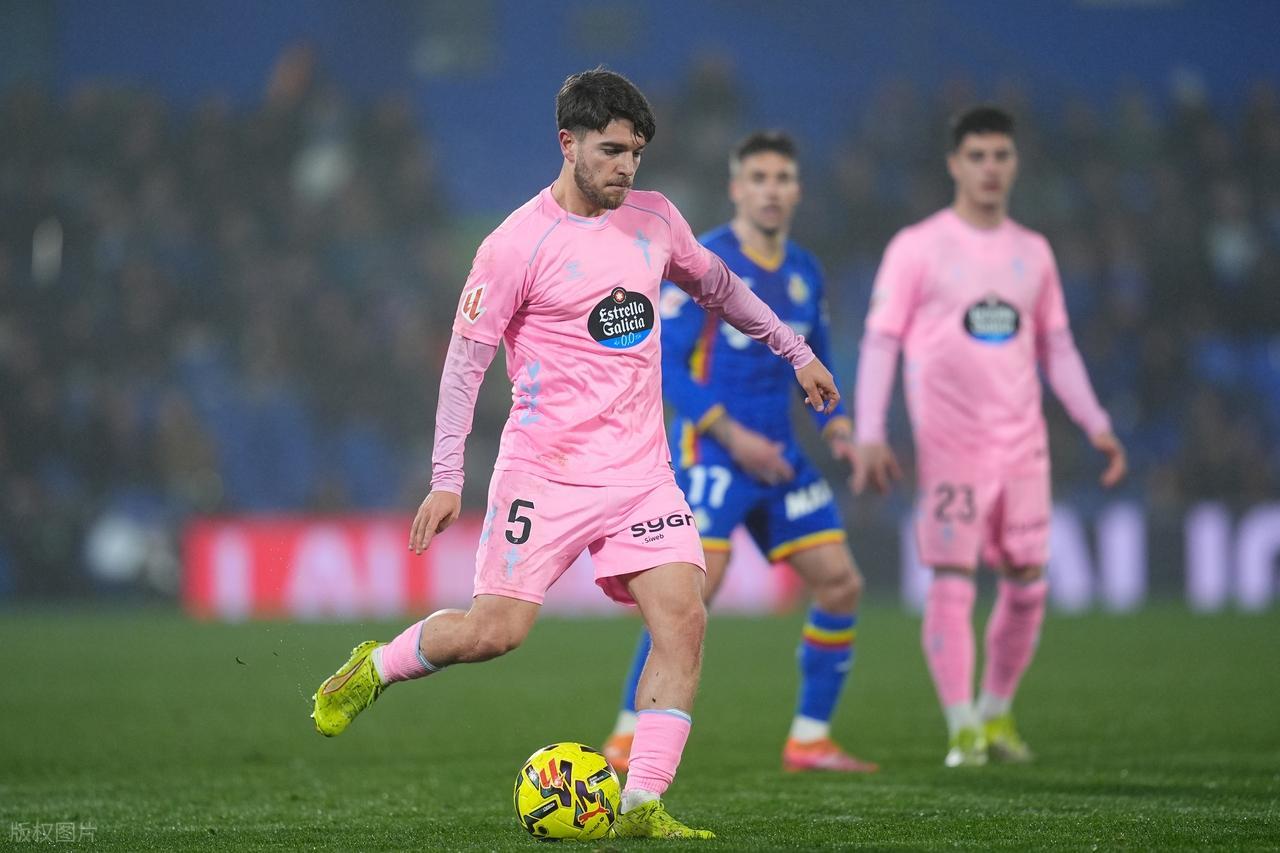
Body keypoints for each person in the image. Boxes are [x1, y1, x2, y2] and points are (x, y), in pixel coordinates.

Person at [310, 69, 840, 839]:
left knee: (683, 619)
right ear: (568, 142)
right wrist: (447, 477)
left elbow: (723, 287)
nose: (627, 167)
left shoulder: (655, 219)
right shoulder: (514, 245)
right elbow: (464, 366)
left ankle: (642, 802)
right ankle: (377, 664)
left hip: (641, 474)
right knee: (494, 632)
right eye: (612, 150)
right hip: (545, 474)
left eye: (636, 153)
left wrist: (797, 353)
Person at [852, 106, 1126, 768]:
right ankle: (962, 728)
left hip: (1023, 445)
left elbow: (1057, 346)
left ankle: (997, 711)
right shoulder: (918, 247)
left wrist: (1096, 422)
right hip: (951, 447)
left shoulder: (1033, 252)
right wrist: (870, 430)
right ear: (955, 164)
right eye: (977, 156)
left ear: (1015, 163)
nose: (990, 168)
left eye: (1001, 155)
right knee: (953, 577)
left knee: (1028, 580)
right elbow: (881, 341)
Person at [602, 131, 877, 775]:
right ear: (736, 188)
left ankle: (809, 739)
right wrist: (732, 436)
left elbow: (819, 358)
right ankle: (625, 736)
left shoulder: (805, 271)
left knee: (841, 584)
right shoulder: (703, 260)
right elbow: (664, 363)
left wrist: (839, 428)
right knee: (689, 598)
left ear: (797, 190)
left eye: (782, 178)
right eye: (758, 178)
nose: (771, 190)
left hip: (779, 457)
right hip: (712, 454)